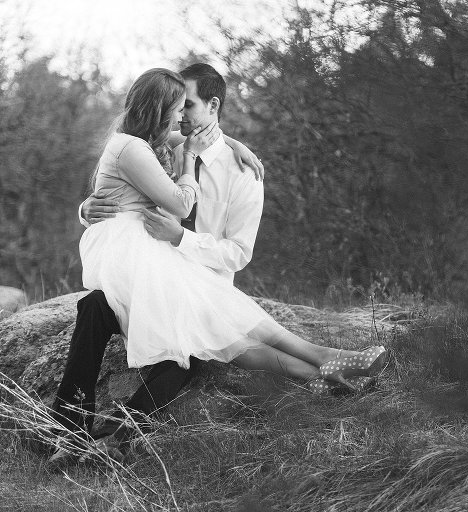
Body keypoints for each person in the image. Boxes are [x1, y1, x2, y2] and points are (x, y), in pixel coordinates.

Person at [50, 65, 386, 463]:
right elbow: (130, 185)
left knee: (212, 338)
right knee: (110, 314)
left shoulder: (242, 172)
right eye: (178, 107)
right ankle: (72, 434)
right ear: (162, 109)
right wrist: (87, 208)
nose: (182, 116)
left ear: (213, 106)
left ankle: (324, 372)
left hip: (197, 273)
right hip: (148, 268)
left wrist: (182, 235)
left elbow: (239, 252)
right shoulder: (164, 146)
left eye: (189, 106)